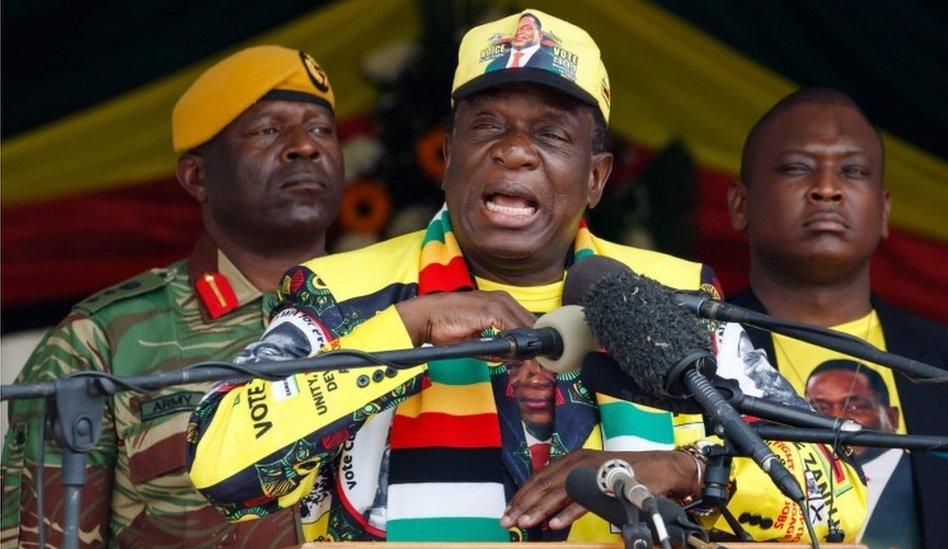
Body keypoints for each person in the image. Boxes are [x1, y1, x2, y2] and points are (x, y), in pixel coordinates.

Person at [187, 13, 865, 544]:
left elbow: (840, 496)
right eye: (488, 128)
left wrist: (678, 473)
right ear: (450, 160)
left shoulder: (676, 299)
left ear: (596, 178)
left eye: (550, 134)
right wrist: (407, 329)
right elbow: (220, 464)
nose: (514, 150)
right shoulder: (341, 292)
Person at [0, 45, 345, 547]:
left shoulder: (399, 305)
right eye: (269, 130)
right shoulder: (99, 342)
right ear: (197, 177)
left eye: (321, 130)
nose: (305, 147)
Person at [726, 87, 948, 548]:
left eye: (852, 171)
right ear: (740, 204)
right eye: (797, 168)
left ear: (883, 212)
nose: (827, 188)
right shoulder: (694, 353)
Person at [485, 12, 556, 72]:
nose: (519, 32)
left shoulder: (551, 63)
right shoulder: (493, 65)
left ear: (540, 35)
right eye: (518, 29)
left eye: (527, 28)